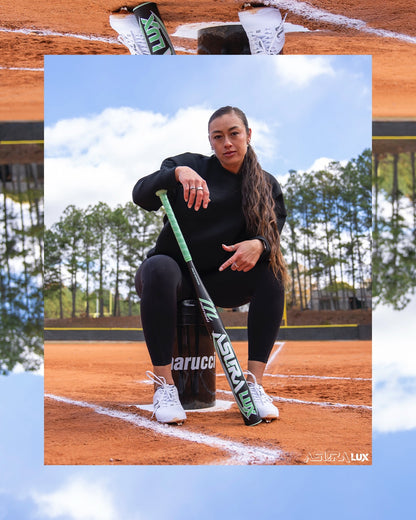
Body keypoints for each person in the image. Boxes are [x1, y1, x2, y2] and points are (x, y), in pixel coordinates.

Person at [133, 106, 288, 424]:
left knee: (272, 275)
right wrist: (175, 174)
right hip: (172, 277)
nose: (227, 142)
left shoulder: (267, 185)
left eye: (234, 133)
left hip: (220, 281)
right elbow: (141, 194)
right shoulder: (189, 164)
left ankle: (254, 385)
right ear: (210, 141)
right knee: (158, 267)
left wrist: (258, 244)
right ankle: (164, 386)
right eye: (218, 137)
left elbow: (272, 236)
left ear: (248, 134)